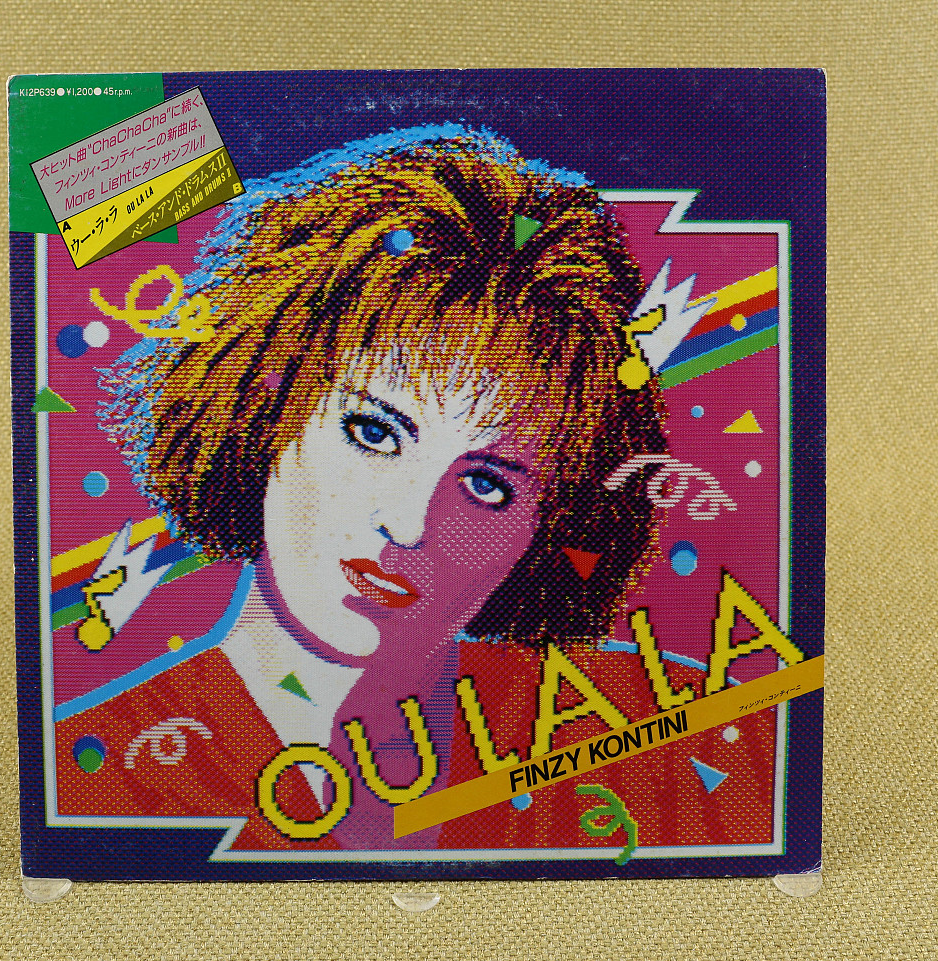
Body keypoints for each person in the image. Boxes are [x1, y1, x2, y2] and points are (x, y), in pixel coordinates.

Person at [57, 125, 775, 857]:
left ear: (548, 526)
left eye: (486, 484)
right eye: (373, 432)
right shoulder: (94, 772)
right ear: (262, 410)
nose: (407, 525)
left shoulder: (673, 737)